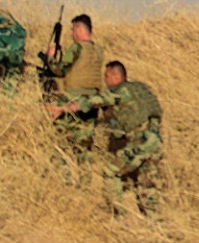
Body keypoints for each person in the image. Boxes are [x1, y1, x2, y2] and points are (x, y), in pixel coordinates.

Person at [47, 61, 163, 215]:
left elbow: (91, 102)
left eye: (107, 76)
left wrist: (62, 109)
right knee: (146, 185)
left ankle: (118, 216)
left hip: (140, 142)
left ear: (116, 76)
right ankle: (155, 224)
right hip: (155, 141)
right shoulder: (142, 88)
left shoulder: (118, 92)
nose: (105, 80)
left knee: (111, 173)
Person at [44, 14, 104, 178]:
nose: (71, 34)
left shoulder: (77, 48)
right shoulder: (99, 51)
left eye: (72, 29)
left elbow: (60, 70)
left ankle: (62, 178)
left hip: (71, 99)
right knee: (85, 147)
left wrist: (50, 57)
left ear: (79, 29)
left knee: (61, 141)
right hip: (91, 102)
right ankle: (85, 181)